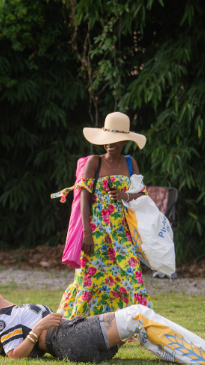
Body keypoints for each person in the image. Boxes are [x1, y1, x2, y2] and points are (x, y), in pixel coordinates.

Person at [52, 112, 153, 318]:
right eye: (106, 139)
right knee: (90, 281)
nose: (109, 144)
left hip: (122, 233)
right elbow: (83, 199)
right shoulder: (94, 162)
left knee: (133, 278)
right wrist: (87, 234)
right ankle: (76, 325)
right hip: (96, 232)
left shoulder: (130, 163)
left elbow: (142, 194)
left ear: (125, 141)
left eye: (114, 140)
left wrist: (125, 195)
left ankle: (137, 325)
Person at [0, 291, 205, 365]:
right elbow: (14, 355)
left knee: (137, 321)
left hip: (74, 341)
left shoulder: (11, 312)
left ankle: (192, 356)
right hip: (70, 339)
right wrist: (39, 326)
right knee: (138, 315)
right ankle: (202, 357)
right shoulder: (2, 319)